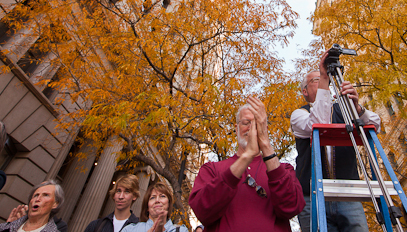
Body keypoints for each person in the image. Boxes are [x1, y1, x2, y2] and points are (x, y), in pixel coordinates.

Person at [290, 50, 381, 232]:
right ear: (304, 91)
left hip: (347, 193)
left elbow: (375, 125)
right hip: (313, 196)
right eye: (316, 80)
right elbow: (318, 123)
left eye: (324, 79)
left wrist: (357, 107)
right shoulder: (299, 114)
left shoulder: (345, 109)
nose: (323, 82)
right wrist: (324, 75)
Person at [189, 97, 305, 232]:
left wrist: (266, 145)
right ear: (236, 129)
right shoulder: (212, 169)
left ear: (265, 129)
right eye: (246, 122)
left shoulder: (283, 169)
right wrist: (246, 157)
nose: (251, 128)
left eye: (257, 123)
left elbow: (291, 208)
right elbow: (203, 211)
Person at [0, 180, 65, 232]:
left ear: (55, 204)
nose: (38, 199)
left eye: (46, 195)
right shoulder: (3, 228)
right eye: (36, 195)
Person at [121, 182, 188, 232]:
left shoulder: (181, 231)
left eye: (162, 196)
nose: (157, 200)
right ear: (147, 207)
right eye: (152, 198)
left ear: (169, 204)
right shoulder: (130, 229)